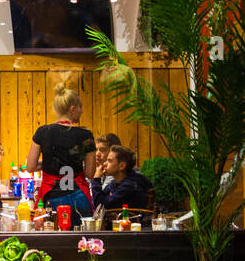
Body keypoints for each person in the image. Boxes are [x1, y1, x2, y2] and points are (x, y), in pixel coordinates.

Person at [25, 84, 96, 216]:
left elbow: (30, 167)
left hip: (51, 197)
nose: (82, 111)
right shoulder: (86, 136)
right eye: (80, 107)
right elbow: (90, 173)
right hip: (78, 197)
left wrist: (49, 163)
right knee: (83, 236)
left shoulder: (42, 132)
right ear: (72, 109)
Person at [92, 145, 153, 213]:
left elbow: (101, 206)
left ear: (122, 166)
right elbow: (99, 204)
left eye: (109, 161)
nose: (104, 164)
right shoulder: (114, 183)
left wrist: (96, 179)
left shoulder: (129, 186)